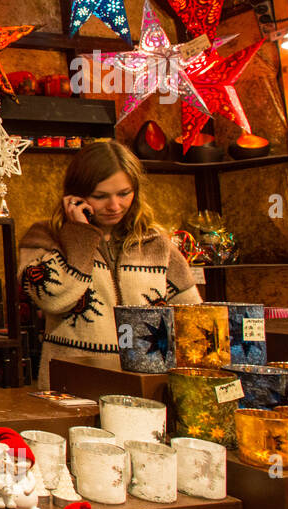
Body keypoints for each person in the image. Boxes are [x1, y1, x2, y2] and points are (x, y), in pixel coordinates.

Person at [18, 140, 200, 388]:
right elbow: (53, 299)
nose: (114, 206)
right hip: (70, 386)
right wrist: (80, 235)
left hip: (145, 387)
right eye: (100, 196)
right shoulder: (46, 238)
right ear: (75, 196)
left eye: (124, 193)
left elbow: (193, 318)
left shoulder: (156, 243)